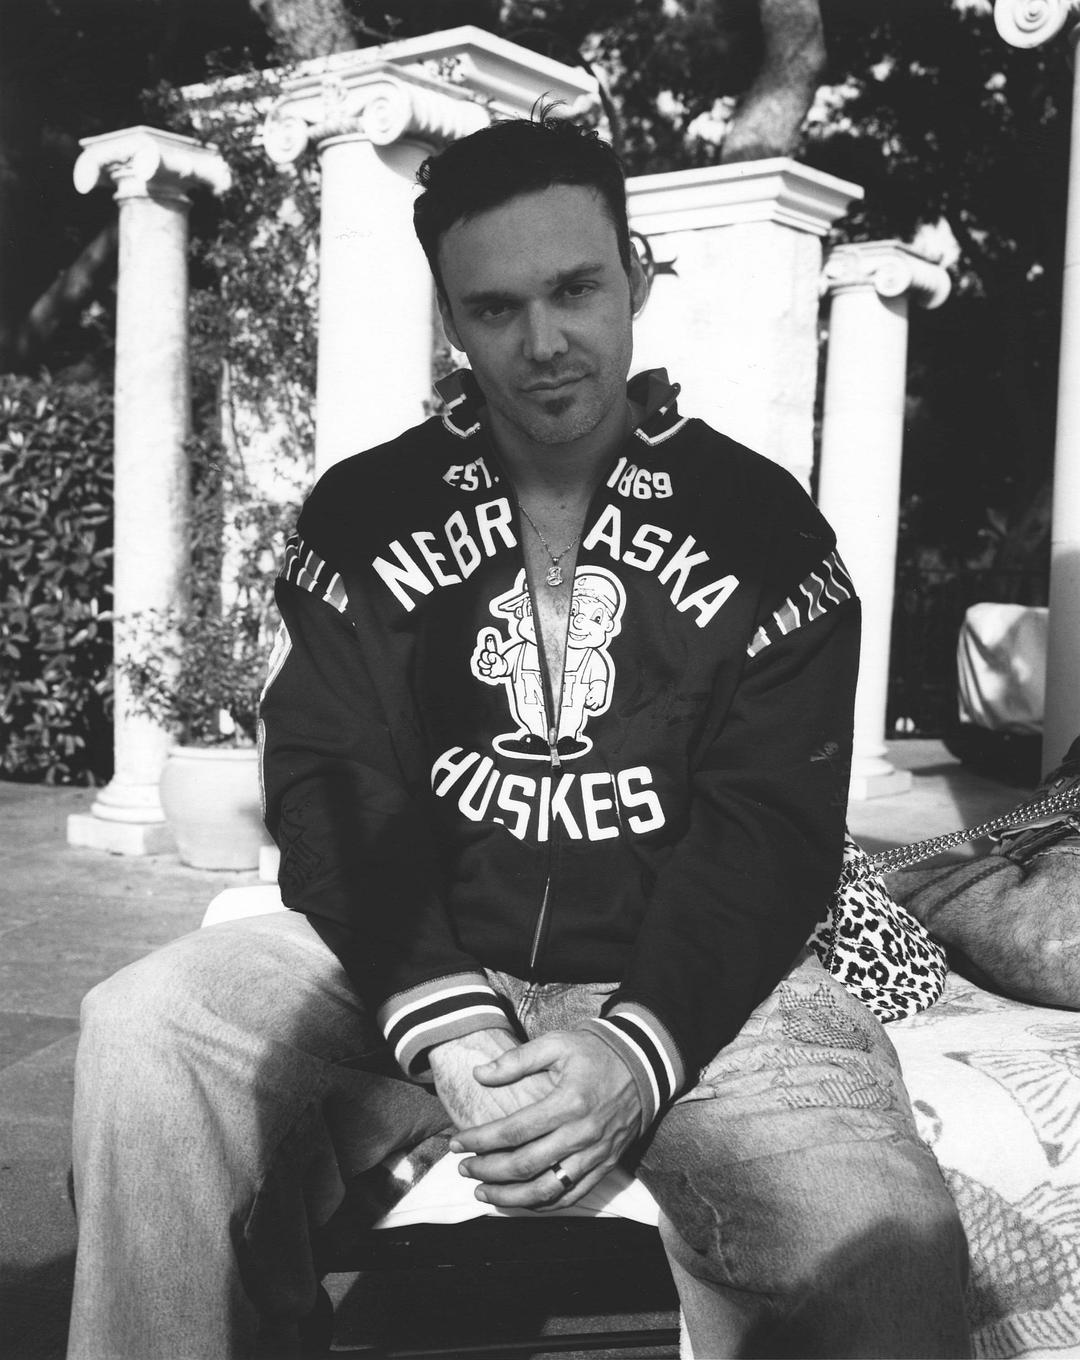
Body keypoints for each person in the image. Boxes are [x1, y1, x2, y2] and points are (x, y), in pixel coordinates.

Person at [68, 111, 972, 1359]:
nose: (544, 343)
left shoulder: (766, 530)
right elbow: (332, 786)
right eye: (495, 308)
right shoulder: (365, 514)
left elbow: (771, 828)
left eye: (575, 289)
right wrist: (447, 1020)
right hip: (421, 952)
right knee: (147, 1027)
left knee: (883, 1237)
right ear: (449, 318)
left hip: (693, 974)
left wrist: (634, 1050)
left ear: (635, 276)